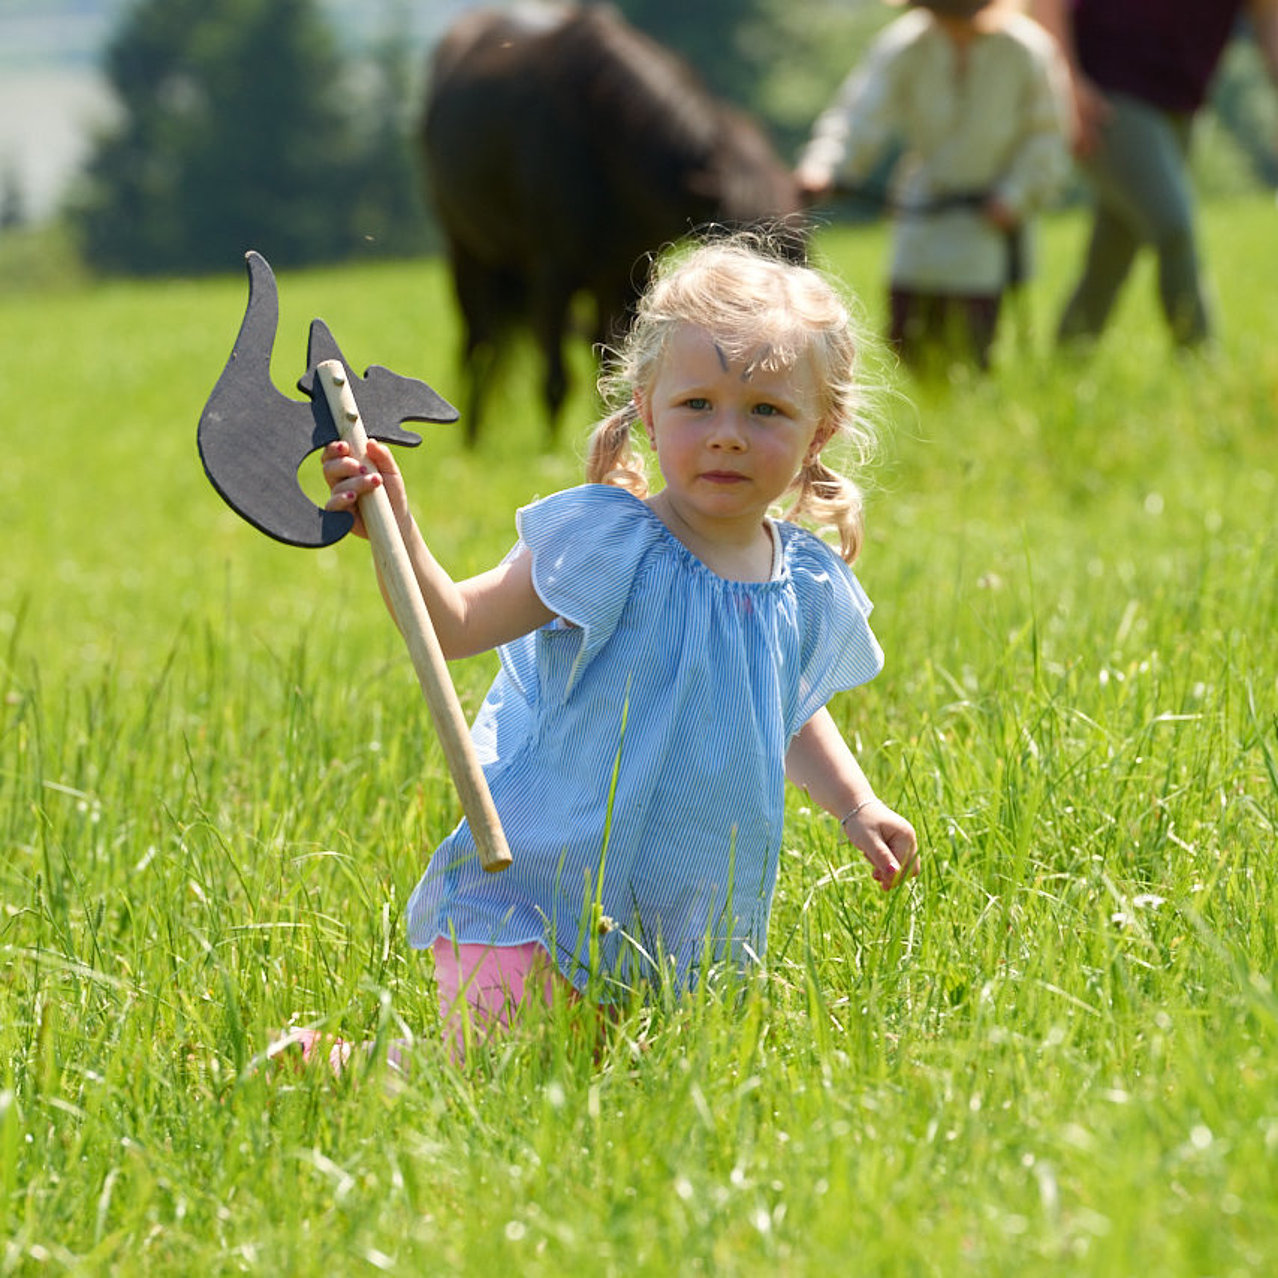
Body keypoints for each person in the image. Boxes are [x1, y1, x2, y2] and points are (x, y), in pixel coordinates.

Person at [316, 235, 919, 1061]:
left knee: (605, 1084)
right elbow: (454, 621)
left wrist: (856, 805)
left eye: (767, 411)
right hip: (540, 887)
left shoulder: (800, 582)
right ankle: (344, 1070)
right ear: (645, 407)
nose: (728, 436)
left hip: (677, 913)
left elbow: (788, 709)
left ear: (822, 430)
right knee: (498, 1073)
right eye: (697, 405)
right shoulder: (606, 544)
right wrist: (397, 527)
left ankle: (388, 1069)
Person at [796, 0, 1070, 370]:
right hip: (922, 210)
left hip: (988, 216)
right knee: (906, 339)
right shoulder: (905, 43)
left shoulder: (1027, 49)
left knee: (971, 346)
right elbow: (859, 114)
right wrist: (824, 165)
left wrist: (1016, 196)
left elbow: (1047, 137)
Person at [1030, 0, 1278, 348]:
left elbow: (1267, 14)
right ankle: (1201, 361)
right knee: (1174, 228)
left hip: (1182, 103)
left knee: (1113, 250)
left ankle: (1067, 357)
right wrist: (1067, 83)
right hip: (1107, 97)